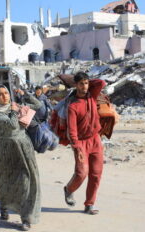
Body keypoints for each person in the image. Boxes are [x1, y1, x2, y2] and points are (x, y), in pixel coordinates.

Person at [0, 85, 42, 231]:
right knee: (6, 182)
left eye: (6, 93)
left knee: (26, 181)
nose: (5, 96)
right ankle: (4, 207)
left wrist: (25, 94)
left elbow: (38, 104)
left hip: (23, 147)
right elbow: (12, 125)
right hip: (6, 150)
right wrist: (13, 109)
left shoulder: (15, 106)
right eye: (0, 94)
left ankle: (26, 218)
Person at [63, 72, 106, 215]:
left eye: (86, 83)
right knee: (81, 173)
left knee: (96, 174)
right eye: (81, 83)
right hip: (80, 142)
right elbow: (72, 131)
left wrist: (86, 79)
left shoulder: (92, 96)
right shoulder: (73, 106)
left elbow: (101, 83)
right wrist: (77, 149)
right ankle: (69, 189)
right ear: (76, 85)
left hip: (95, 140)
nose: (85, 86)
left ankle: (89, 204)